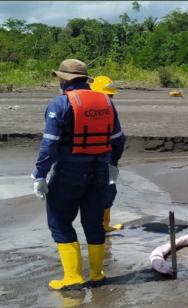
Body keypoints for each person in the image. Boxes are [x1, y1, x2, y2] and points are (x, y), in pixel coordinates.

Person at [31, 59, 125, 290]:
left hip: (69, 173)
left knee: (59, 221)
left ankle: (72, 276)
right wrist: (112, 163)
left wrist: (39, 175)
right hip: (100, 171)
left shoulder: (60, 104)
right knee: (93, 222)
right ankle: (96, 273)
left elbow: (49, 145)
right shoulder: (106, 102)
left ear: (64, 80)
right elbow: (118, 139)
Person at [90, 75, 125, 233]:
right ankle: (102, 227)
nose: (111, 98)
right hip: (105, 157)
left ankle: (97, 226)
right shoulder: (108, 108)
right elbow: (117, 139)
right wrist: (115, 161)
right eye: (110, 95)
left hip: (81, 157)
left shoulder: (80, 105)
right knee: (108, 191)